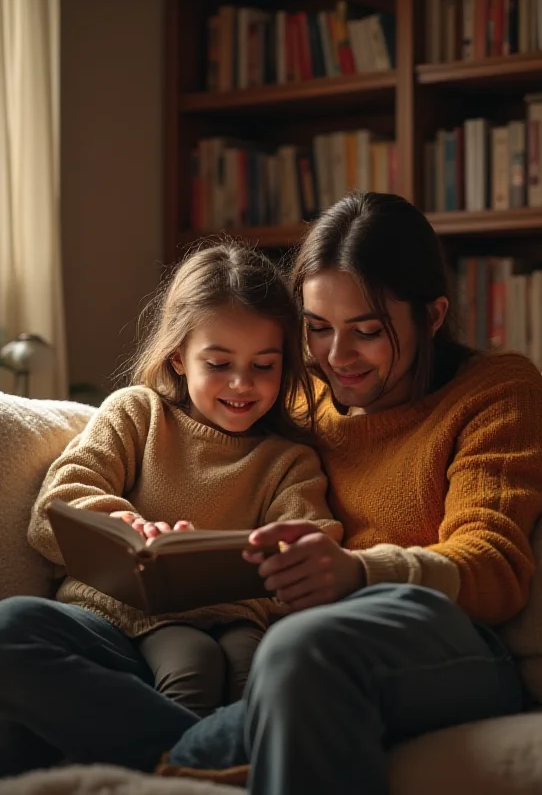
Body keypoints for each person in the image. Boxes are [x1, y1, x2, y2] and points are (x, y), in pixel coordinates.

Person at [158, 192, 542, 795]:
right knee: (26, 634)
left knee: (303, 649)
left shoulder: (496, 392)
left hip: (447, 641)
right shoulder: (301, 395)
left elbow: (496, 567)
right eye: (317, 328)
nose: (336, 356)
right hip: (294, 652)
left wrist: (357, 573)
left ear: (432, 316)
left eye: (368, 331)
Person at [0, 240, 341, 777]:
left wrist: (244, 576)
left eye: (264, 365)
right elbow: (55, 509)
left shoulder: (288, 461)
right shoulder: (137, 413)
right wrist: (127, 524)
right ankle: (207, 764)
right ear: (179, 355)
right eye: (219, 362)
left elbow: (312, 547)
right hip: (109, 624)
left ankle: (192, 770)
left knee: (234, 668)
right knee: (11, 626)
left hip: (227, 631)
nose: (241, 383)